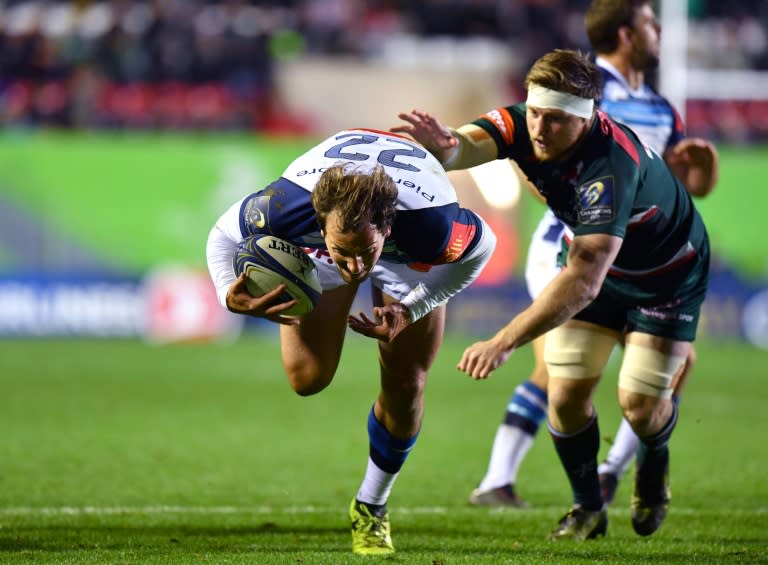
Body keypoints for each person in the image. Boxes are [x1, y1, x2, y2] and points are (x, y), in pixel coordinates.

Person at [393, 48, 710, 539]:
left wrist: (503, 341)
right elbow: (467, 146)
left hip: (665, 276)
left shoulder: (609, 167)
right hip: (596, 261)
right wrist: (445, 146)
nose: (540, 128)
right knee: (563, 394)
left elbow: (584, 281)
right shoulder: (526, 120)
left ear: (587, 119)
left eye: (557, 120)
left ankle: (653, 457)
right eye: (536, 113)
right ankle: (588, 508)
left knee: (641, 407)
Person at [462, 0, 720, 509]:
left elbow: (678, 189)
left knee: (654, 384)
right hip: (571, 246)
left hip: (641, 255)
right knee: (560, 371)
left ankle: (617, 469)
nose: (660, 30)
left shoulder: (660, 108)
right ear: (625, 33)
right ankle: (512, 478)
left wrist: (705, 168)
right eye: (650, 21)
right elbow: (536, 159)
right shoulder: (575, 86)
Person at [205, 128, 496, 555]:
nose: (356, 266)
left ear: (388, 226)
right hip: (327, 243)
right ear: (319, 223)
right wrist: (226, 290)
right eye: (345, 250)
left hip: (406, 260)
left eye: (366, 252)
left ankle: (371, 506)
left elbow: (482, 247)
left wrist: (412, 308)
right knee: (307, 377)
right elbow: (221, 234)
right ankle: (343, 253)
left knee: (408, 383)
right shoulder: (282, 208)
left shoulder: (430, 227)